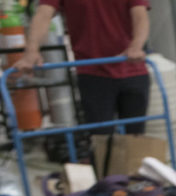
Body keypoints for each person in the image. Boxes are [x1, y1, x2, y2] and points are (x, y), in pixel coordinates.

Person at [14, 0, 151, 134]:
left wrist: (136, 47)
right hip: (92, 73)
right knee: (101, 137)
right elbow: (43, 14)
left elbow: (140, 15)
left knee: (136, 137)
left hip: (132, 69)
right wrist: (31, 52)